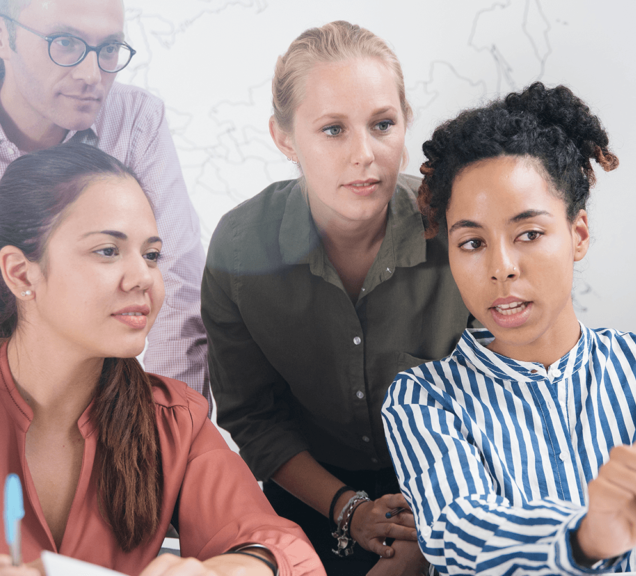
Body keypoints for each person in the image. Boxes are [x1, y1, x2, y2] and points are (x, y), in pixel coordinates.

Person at [0, 143, 324, 576]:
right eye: (107, 251)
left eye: (151, 255)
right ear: (20, 272)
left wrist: (235, 570)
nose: (143, 276)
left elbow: (286, 549)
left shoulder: (174, 421)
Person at [201, 21, 471, 576]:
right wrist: (349, 509)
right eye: (332, 130)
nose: (364, 154)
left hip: (456, 496)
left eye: (382, 124)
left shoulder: (461, 229)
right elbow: (253, 417)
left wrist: (423, 538)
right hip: (311, 498)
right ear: (283, 137)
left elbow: (505, 398)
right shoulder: (237, 246)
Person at [381, 82, 636, 575]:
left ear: (577, 235)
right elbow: (459, 531)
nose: (502, 268)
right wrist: (583, 537)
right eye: (472, 243)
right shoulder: (424, 399)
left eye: (530, 234)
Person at [0, 0, 209, 399]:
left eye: (109, 49)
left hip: (99, 417)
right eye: (65, 43)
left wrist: (171, 435)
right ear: (0, 34)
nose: (91, 75)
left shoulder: (135, 120)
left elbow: (178, 290)